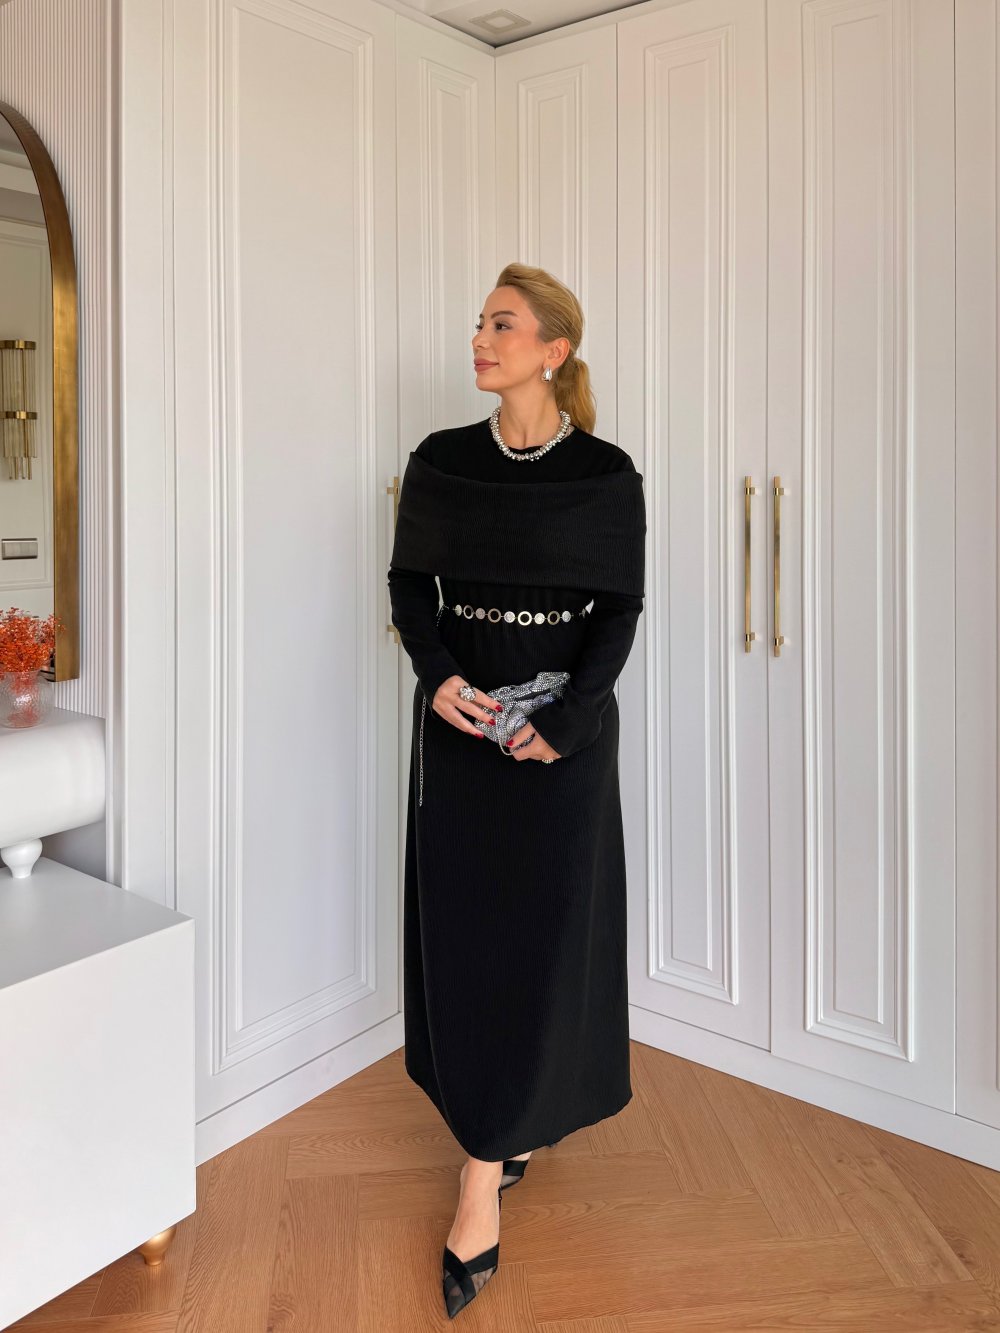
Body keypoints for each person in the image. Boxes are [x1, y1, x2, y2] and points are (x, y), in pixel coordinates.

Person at [386, 262, 646, 1319]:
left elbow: (617, 610)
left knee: (546, 941)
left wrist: (569, 723)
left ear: (554, 350)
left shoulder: (607, 474)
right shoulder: (441, 461)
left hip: (561, 747)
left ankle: (493, 1155)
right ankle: (486, 1149)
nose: (480, 340)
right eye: (479, 324)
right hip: (459, 736)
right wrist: (437, 676)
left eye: (503, 325)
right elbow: (411, 586)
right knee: (469, 939)